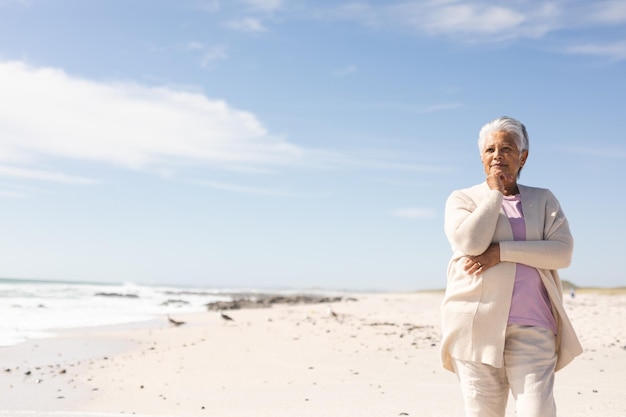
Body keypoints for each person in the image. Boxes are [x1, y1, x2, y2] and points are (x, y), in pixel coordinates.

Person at [440, 116, 582, 417]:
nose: (497, 155)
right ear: (481, 158)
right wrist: (494, 195)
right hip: (474, 325)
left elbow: (561, 252)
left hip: (533, 325)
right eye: (490, 149)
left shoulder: (543, 200)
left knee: (537, 411)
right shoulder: (463, 198)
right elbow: (471, 243)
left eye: (506, 148)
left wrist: (502, 252)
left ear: (523, 157)